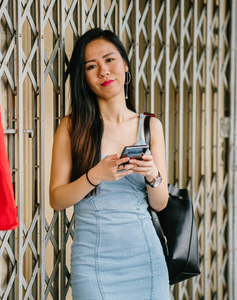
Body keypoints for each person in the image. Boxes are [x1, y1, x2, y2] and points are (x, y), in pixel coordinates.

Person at [49, 28, 170, 299]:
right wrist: (95, 175)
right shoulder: (71, 128)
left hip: (146, 259)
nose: (103, 71)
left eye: (109, 60)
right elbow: (57, 200)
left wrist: (153, 176)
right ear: (85, 78)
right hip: (93, 265)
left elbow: (160, 203)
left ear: (125, 66)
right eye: (92, 66)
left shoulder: (150, 126)